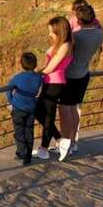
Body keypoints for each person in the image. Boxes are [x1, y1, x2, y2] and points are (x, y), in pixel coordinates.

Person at [58, 4, 103, 160]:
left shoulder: (76, 36)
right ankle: (72, 142)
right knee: (75, 108)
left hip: (70, 75)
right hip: (84, 74)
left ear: (78, 19)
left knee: (65, 109)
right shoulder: (99, 34)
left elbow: (64, 53)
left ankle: (64, 144)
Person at [32, 16, 74, 160]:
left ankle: (44, 149)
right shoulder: (61, 44)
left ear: (59, 31)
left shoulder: (65, 46)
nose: (50, 34)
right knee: (39, 112)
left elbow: (51, 68)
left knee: (47, 116)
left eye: (52, 32)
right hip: (50, 83)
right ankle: (60, 140)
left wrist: (33, 74)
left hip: (55, 84)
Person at [7, 52, 43, 165]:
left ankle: (21, 153)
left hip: (18, 107)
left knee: (19, 131)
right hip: (31, 107)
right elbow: (40, 91)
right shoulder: (38, 78)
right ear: (35, 64)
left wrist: (11, 101)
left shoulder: (17, 78)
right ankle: (28, 156)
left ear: (22, 64)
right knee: (29, 131)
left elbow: (8, 90)